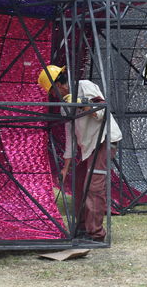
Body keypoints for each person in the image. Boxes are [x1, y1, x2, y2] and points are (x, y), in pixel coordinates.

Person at [37, 65, 122, 242]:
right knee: (78, 184)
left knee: (94, 187)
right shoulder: (64, 107)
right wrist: (65, 168)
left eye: (52, 92)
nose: (53, 96)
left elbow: (101, 112)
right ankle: (82, 228)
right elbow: (71, 139)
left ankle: (96, 234)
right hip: (88, 147)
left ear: (58, 85)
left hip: (103, 140)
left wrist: (80, 102)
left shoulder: (85, 86)